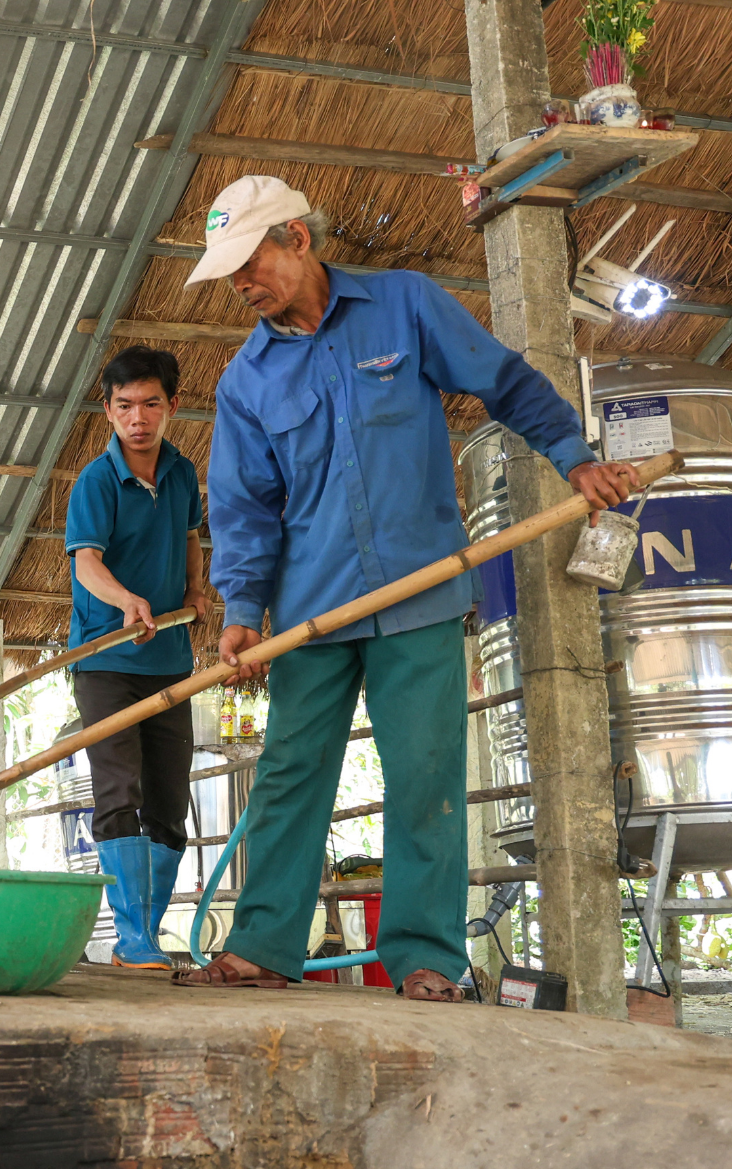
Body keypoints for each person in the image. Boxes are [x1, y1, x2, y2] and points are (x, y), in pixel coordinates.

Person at [172, 176, 640, 997]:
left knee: (426, 777)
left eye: (250, 262)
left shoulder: (404, 306)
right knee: (289, 773)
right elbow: (243, 512)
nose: (242, 284)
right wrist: (242, 611)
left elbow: (506, 381)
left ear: (298, 240)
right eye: (229, 273)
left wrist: (575, 456)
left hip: (421, 593)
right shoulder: (246, 381)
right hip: (312, 613)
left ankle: (425, 959)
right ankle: (261, 947)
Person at [65, 345, 210, 969]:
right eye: (124, 406)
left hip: (170, 659)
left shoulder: (181, 474)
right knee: (117, 793)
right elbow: (86, 561)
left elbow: (189, 539)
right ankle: (132, 937)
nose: (138, 418)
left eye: (151, 404)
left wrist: (196, 589)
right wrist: (127, 602)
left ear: (172, 405)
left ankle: (147, 934)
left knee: (169, 805)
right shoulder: (96, 482)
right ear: (108, 411)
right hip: (105, 659)